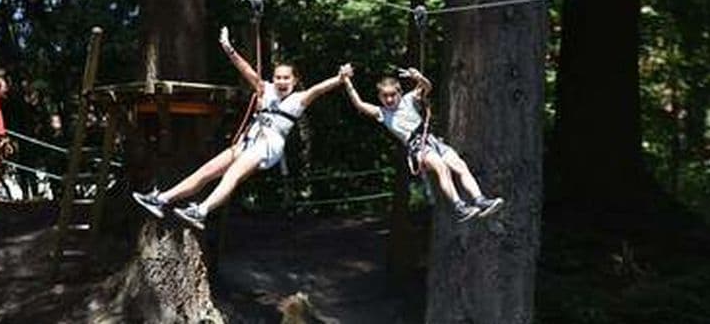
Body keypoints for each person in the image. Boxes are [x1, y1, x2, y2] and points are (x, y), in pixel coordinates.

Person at [133, 26, 352, 230]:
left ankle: (202, 210)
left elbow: (319, 89)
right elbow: (245, 68)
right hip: (250, 139)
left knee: (233, 174)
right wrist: (228, 48)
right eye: (278, 77)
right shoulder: (264, 88)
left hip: (269, 144)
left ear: (294, 81)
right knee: (208, 170)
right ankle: (161, 199)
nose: (281, 81)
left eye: (286, 78)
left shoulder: (299, 99)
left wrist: (339, 78)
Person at [343, 67, 504, 222]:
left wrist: (418, 77)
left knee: (460, 165)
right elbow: (359, 104)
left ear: (400, 93)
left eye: (393, 95)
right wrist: (346, 81)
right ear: (380, 97)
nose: (389, 99)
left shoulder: (408, 99)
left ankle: (480, 200)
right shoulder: (382, 114)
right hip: (417, 147)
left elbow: (427, 87)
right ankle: (459, 206)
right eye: (385, 96)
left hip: (432, 140)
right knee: (441, 167)